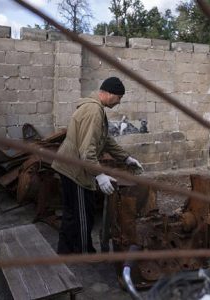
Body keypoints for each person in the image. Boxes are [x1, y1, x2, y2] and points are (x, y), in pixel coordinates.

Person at [51, 77, 143, 254]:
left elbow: (105, 139)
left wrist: (126, 158)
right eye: (119, 97)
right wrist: (99, 175)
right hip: (75, 171)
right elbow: (87, 150)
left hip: (69, 166)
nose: (119, 102)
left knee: (72, 213)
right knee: (83, 215)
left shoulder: (95, 108)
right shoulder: (93, 111)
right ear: (108, 94)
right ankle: (85, 253)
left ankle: (65, 251)